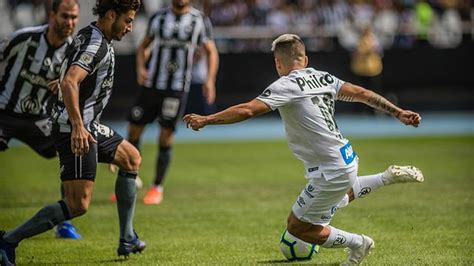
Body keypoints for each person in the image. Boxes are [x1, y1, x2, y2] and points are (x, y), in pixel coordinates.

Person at [183, 34, 424, 265]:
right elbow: (363, 94)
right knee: (336, 200)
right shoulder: (325, 78)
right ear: (305, 59)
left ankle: (358, 243)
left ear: (278, 63)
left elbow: (248, 109)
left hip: (331, 168)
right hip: (346, 157)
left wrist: (207, 119)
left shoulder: (285, 85)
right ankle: (386, 177)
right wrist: (398, 112)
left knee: (298, 227)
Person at [0, 0, 144, 264]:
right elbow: (70, 81)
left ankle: (127, 238)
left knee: (131, 158)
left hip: (87, 125)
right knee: (77, 205)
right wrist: (77, 126)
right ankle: (8, 241)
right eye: (128, 20)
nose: (130, 27)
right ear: (112, 15)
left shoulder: (89, 34)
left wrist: (66, 82)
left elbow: (70, 74)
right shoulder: (96, 43)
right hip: (74, 128)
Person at [0, 0, 82, 239]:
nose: (70, 23)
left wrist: (65, 88)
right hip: (4, 112)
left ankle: (64, 224)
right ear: (52, 14)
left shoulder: (72, 53)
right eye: (65, 16)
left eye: (74, 17)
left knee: (72, 149)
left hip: (38, 119)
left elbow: (77, 87)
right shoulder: (23, 38)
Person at [127, 0, 219, 205]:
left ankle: (156, 187)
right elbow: (143, 46)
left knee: (166, 135)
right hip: (152, 84)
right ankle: (129, 181)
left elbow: (211, 51)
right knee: (134, 130)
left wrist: (210, 80)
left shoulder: (199, 20)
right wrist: (141, 68)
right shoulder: (159, 18)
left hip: (177, 88)